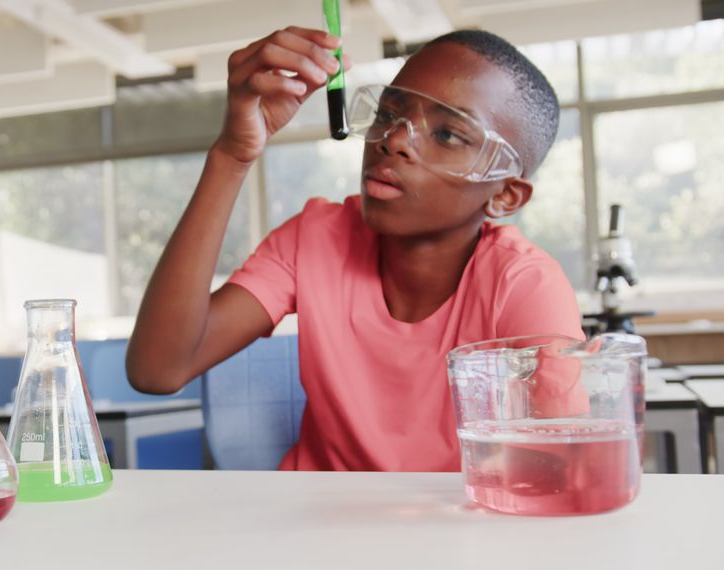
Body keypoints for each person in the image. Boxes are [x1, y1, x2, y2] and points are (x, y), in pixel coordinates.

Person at [126, 26, 584, 471]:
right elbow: (158, 369)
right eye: (388, 114)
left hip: (447, 534)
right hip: (316, 532)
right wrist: (232, 154)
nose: (395, 140)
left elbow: (568, 461)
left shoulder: (522, 284)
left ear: (504, 195)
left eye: (447, 135)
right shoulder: (315, 238)